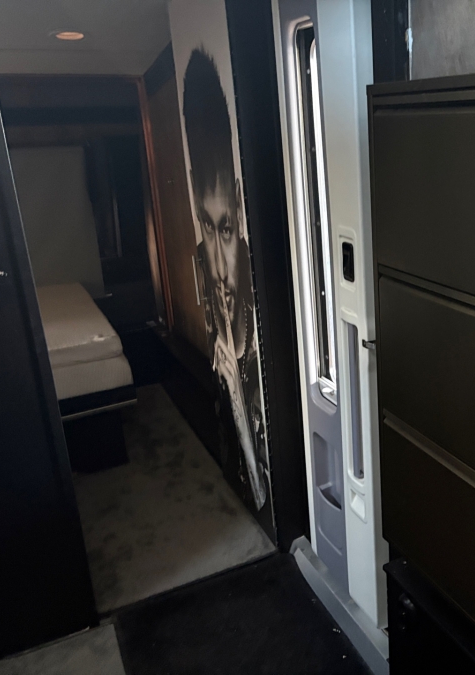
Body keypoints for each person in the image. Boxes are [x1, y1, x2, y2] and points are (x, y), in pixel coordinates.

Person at [182, 48, 267, 510]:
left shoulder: (263, 304)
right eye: (206, 227)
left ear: (238, 199)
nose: (217, 266)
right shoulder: (203, 265)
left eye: (227, 229)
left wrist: (236, 391)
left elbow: (264, 498)